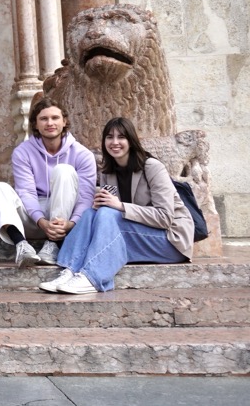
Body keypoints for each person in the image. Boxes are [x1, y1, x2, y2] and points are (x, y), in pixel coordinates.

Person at [38, 117, 194, 294]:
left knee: (107, 213)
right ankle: (70, 270)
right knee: (91, 214)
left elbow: (164, 217)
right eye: (109, 137)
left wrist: (119, 206)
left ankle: (92, 277)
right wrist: (100, 205)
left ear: (131, 141)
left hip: (169, 241)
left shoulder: (152, 167)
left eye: (121, 137)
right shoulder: (108, 172)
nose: (114, 142)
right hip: (136, 236)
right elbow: (110, 215)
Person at [0, 97, 95, 267]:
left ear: (64, 121)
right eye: (44, 119)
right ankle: (22, 246)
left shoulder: (82, 154)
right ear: (35, 124)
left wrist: (70, 224)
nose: (50, 123)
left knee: (64, 170)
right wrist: (41, 221)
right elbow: (26, 192)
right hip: (33, 218)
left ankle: (53, 245)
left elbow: (86, 197)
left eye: (55, 118)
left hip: (64, 221)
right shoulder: (23, 152)